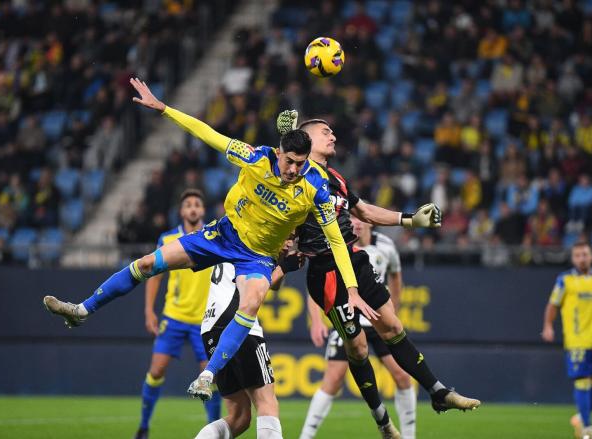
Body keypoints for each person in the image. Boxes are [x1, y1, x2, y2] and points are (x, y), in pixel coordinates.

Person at [43, 77, 379, 403]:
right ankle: (82, 310)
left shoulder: (315, 190)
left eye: (300, 164)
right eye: (289, 162)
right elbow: (208, 134)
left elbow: (336, 241)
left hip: (258, 256)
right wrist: (164, 109)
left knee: (250, 303)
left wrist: (351, 290)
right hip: (223, 234)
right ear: (279, 153)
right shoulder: (255, 157)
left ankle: (208, 375)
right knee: (148, 262)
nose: (293, 170)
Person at [277, 111, 479, 439]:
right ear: (308, 140)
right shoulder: (298, 173)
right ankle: (384, 422)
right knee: (356, 348)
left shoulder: (337, 179)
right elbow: (276, 174)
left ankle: (439, 393)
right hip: (327, 271)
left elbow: (366, 211)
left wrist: (412, 220)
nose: (334, 136)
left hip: (354, 260)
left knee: (394, 326)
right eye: (326, 132)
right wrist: (285, 139)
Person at [300, 216, 417, 439]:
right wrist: (315, 320)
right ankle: (305, 436)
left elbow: (396, 277)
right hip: (349, 318)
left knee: (402, 376)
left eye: (360, 218)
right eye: (351, 218)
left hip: (376, 319)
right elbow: (317, 284)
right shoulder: (336, 242)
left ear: (370, 221)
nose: (356, 223)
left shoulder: (385, 246)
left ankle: (410, 436)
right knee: (332, 380)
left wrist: (393, 311)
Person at [134, 189, 221, 439]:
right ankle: (143, 425)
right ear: (181, 211)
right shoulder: (168, 238)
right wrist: (149, 310)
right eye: (188, 205)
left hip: (205, 320)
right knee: (157, 370)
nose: (193, 208)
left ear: (203, 210)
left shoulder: (212, 234)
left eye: (197, 204)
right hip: (173, 317)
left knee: (209, 377)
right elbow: (154, 275)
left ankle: (213, 429)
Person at [195, 243, 301, 439]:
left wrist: (281, 264)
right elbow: (257, 287)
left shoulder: (236, 237)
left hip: (210, 328)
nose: (288, 243)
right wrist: (285, 266)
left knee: (239, 416)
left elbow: (274, 284)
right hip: (239, 325)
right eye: (288, 236)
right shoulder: (258, 239)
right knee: (267, 403)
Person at [542, 242, 592, 439]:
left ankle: (581, 417)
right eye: (578, 255)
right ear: (573, 259)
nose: (582, 258)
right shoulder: (565, 280)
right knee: (582, 382)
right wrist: (548, 325)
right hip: (577, 341)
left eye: (585, 254)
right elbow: (553, 304)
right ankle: (588, 430)